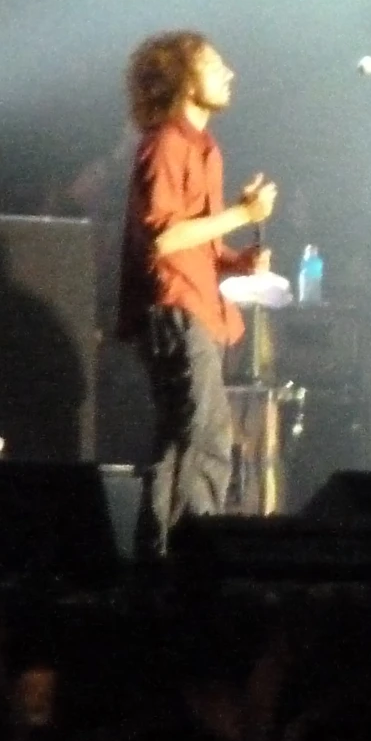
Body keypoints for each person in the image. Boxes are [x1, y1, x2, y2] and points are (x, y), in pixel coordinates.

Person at [115, 33, 275, 553]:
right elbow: (165, 237)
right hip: (175, 311)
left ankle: (160, 558)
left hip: (191, 305)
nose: (229, 72)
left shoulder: (203, 148)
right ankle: (196, 554)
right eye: (215, 64)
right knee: (206, 439)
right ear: (184, 79)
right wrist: (241, 215)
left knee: (181, 441)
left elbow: (194, 241)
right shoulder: (167, 144)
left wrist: (238, 258)